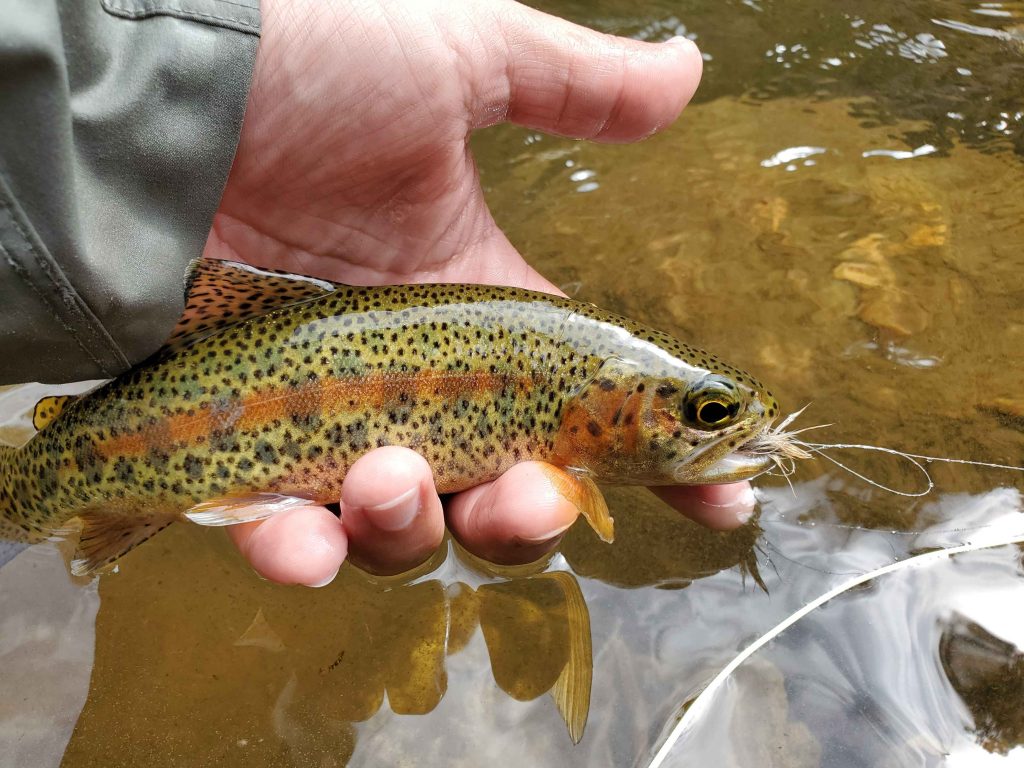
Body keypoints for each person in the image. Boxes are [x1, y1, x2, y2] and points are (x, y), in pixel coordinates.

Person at [0, 0, 756, 587]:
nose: (720, 428)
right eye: (709, 414)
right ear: (605, 407)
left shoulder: (573, 376)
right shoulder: (571, 376)